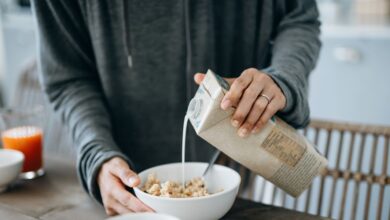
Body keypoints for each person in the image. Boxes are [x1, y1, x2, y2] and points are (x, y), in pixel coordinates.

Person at [31, 0, 321, 216]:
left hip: (231, 174)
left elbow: (299, 17)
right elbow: (68, 76)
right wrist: (97, 154)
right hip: (124, 191)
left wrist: (282, 78)